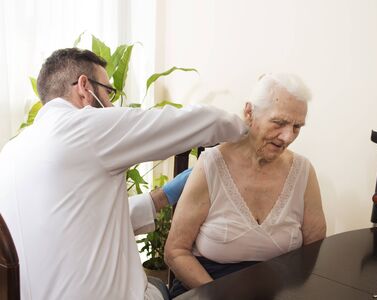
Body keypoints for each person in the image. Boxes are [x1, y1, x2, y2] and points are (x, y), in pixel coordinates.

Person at [0, 48, 248, 300]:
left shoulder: (11, 151)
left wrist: (161, 196)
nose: (111, 104)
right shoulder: (85, 126)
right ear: (84, 87)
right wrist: (248, 128)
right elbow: (197, 122)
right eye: (109, 92)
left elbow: (81, 220)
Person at [164, 73, 327, 297]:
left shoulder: (303, 172)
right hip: (207, 289)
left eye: (297, 127)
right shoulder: (211, 164)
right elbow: (175, 252)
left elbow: (314, 253)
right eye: (279, 123)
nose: (288, 137)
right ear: (250, 113)